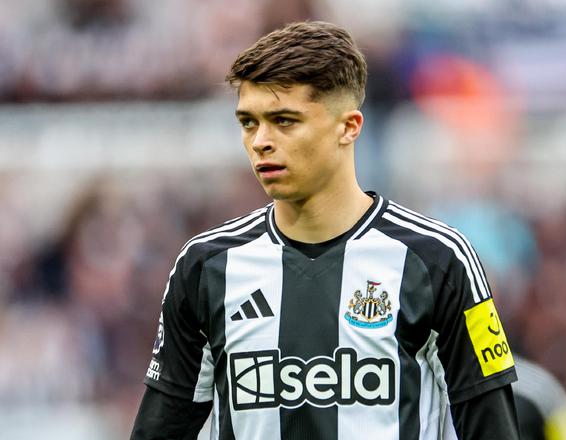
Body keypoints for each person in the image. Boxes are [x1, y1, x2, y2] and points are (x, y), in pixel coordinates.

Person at [131, 21, 520, 440]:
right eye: (248, 123)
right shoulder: (206, 266)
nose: (260, 141)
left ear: (349, 127)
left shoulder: (439, 260)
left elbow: (492, 429)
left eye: (284, 121)